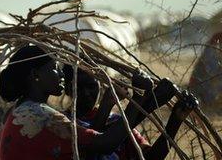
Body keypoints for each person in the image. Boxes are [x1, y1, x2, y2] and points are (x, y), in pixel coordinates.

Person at [0, 45, 177, 160]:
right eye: (54, 69)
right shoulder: (39, 115)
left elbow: (90, 148)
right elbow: (105, 144)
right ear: (35, 75)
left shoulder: (21, 110)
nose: (60, 75)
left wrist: (150, 103)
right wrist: (140, 97)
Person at [63, 64, 199, 160]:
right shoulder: (62, 123)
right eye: (79, 87)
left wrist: (175, 120)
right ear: (67, 89)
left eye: (91, 86)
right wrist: (145, 100)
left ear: (101, 85)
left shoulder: (116, 120)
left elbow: (150, 156)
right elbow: (93, 148)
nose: (86, 93)